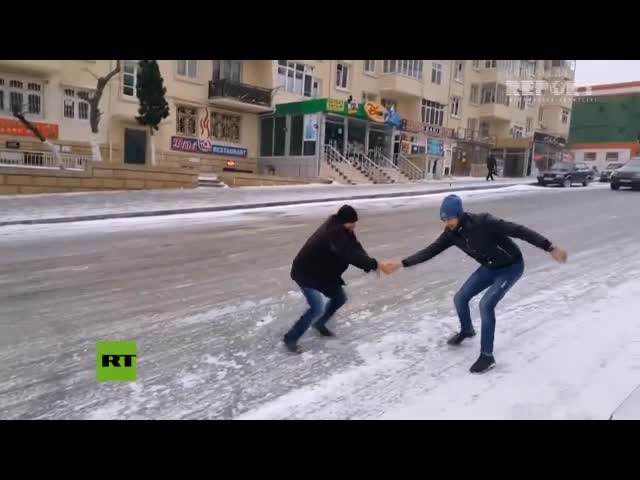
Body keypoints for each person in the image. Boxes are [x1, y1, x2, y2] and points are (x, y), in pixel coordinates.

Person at [381, 194, 568, 373]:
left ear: (460, 214)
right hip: (490, 267)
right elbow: (430, 251)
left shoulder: (483, 222)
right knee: (460, 298)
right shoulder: (451, 234)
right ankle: (467, 330)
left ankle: (487, 356)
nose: (448, 224)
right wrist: (402, 264)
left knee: (486, 305)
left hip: (511, 266)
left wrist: (549, 247)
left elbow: (518, 230)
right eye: (444, 220)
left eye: (451, 219)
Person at [284, 205, 386, 354]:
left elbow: (355, 247)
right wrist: (373, 264)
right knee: (316, 307)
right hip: (305, 273)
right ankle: (290, 338)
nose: (354, 225)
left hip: (322, 273)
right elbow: (349, 254)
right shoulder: (334, 233)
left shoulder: (344, 229)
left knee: (339, 298)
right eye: (352, 222)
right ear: (345, 221)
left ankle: (319, 324)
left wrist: (369, 264)